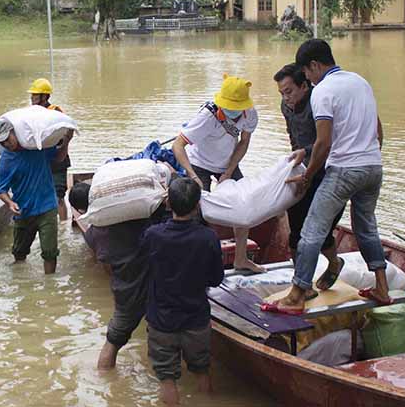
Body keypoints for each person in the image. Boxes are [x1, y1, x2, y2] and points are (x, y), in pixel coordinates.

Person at [273, 39, 389, 314]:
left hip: (343, 170)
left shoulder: (322, 91)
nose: (309, 79)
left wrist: (308, 176)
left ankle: (297, 294)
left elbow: (323, 143)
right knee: (366, 229)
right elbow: (379, 132)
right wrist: (368, 157)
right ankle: (382, 287)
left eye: (308, 73)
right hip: (373, 167)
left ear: (314, 66)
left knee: (311, 232)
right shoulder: (361, 82)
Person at [68, 180, 170, 370]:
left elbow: (107, 266)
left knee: (112, 342)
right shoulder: (135, 216)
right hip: (161, 284)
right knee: (164, 345)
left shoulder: (93, 235)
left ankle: (106, 383)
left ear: (82, 210)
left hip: (127, 290)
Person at [142, 177, 223, 406]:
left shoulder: (153, 235)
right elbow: (216, 279)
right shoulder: (208, 238)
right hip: (196, 318)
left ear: (168, 204)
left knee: (167, 378)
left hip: (162, 320)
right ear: (198, 205)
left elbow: (142, 265)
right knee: (202, 371)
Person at [172, 74, 262, 273]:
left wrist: (229, 171)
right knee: (196, 211)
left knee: (243, 205)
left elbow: (244, 142)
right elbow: (178, 146)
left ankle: (241, 258)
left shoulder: (249, 113)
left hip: (227, 162)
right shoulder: (207, 115)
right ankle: (195, 264)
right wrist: (192, 175)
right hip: (199, 164)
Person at [274, 63, 346, 293]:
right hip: (303, 170)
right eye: (281, 93)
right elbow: (293, 137)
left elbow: (327, 141)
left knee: (319, 229)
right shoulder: (287, 108)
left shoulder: (320, 101)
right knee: (295, 229)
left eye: (289, 92)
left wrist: (306, 155)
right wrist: (297, 166)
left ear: (304, 86)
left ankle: (334, 263)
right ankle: (302, 285)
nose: (285, 98)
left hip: (330, 171)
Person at [0, 119, 71, 274]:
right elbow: (1, 190)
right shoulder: (6, 160)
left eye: (7, 140)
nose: (6, 145)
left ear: (16, 134)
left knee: (50, 253)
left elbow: (58, 158)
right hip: (23, 211)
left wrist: (67, 140)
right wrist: (9, 203)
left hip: (47, 207)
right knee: (19, 254)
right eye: (2, 143)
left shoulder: (38, 147)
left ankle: (49, 286)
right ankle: (19, 281)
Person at [28, 78, 73, 222]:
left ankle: (63, 227)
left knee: (58, 196)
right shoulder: (31, 113)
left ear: (44, 96)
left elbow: (68, 131)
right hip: (40, 160)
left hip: (56, 160)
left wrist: (63, 145)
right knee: (41, 196)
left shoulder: (55, 112)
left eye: (35, 95)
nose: (32, 97)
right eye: (32, 94)